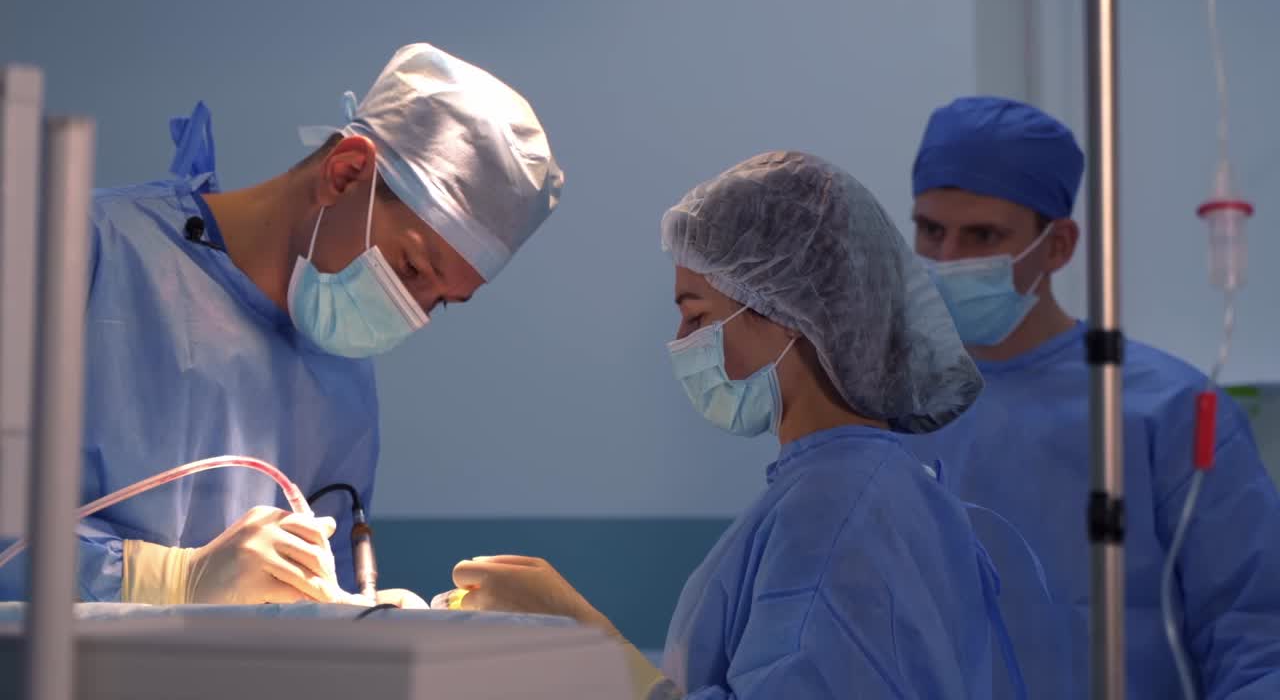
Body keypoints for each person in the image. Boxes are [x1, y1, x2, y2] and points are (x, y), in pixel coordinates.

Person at [432, 150, 1029, 699]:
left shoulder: (837, 511)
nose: (681, 344)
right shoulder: (851, 491)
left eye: (696, 316)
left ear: (791, 312)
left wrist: (578, 645)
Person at [0, 42, 562, 607]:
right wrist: (164, 579)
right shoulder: (78, 252)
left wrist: (349, 620)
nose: (409, 313)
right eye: (412, 268)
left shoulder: (341, 381)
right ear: (345, 175)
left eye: (440, 303)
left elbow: (302, 611)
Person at [910, 95, 1280, 698]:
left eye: (982, 235)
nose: (948, 260)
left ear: (1057, 246)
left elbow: (1257, 636)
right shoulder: (887, 406)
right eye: (930, 230)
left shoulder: (1165, 410)